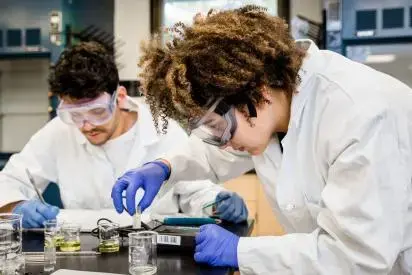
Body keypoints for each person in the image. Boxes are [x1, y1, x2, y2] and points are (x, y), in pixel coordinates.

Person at [112, 5, 412, 275]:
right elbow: (211, 155)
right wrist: (164, 166)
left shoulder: (359, 114)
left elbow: (357, 257)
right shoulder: (271, 113)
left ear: (258, 92)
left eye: (218, 127)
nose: (223, 143)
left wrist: (241, 251)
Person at [0, 42, 248, 228]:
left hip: (152, 247)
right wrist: (17, 207)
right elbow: (11, 181)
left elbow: (194, 190)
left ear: (118, 97)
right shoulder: (59, 132)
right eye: (75, 115)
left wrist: (217, 203)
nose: (86, 126)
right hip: (81, 249)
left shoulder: (159, 127)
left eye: (96, 112)